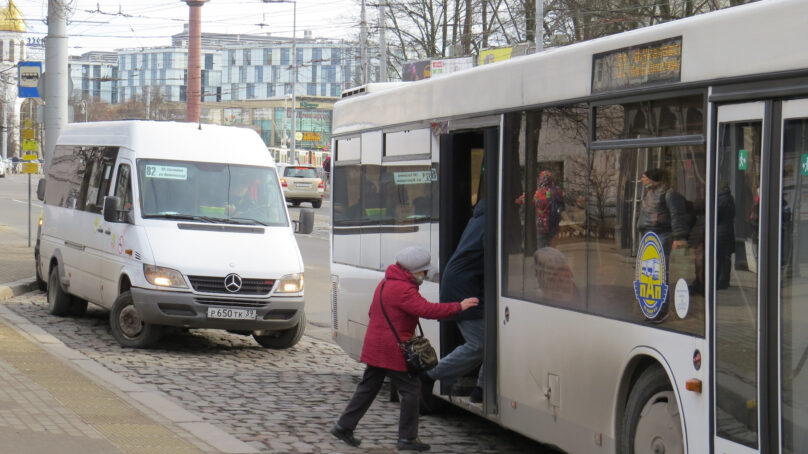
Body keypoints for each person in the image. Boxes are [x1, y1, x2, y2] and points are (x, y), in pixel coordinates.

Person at [331, 246, 478, 452]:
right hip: (393, 348)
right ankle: (407, 438)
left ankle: (343, 426)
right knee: (411, 390)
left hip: (376, 345)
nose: (425, 276)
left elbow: (373, 312)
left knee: (368, 388)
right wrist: (458, 307)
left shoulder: (386, 283)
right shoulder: (403, 289)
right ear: (413, 271)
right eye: (423, 272)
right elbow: (427, 310)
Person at [424, 198, 486, 404]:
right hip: (464, 287)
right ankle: (430, 375)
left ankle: (481, 389)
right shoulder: (490, 222)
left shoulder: (479, 218)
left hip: (464, 283)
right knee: (480, 343)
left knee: (492, 340)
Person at [637, 168, 690, 255]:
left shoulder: (669, 193)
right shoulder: (649, 194)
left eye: (643, 177)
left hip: (661, 236)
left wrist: (679, 237)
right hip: (648, 236)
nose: (641, 179)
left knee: (661, 265)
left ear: (651, 179)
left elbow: (677, 215)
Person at [515, 170, 565, 248]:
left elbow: (520, 201)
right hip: (554, 226)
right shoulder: (557, 191)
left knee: (541, 248)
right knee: (552, 247)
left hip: (541, 227)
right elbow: (562, 206)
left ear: (541, 180)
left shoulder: (537, 193)